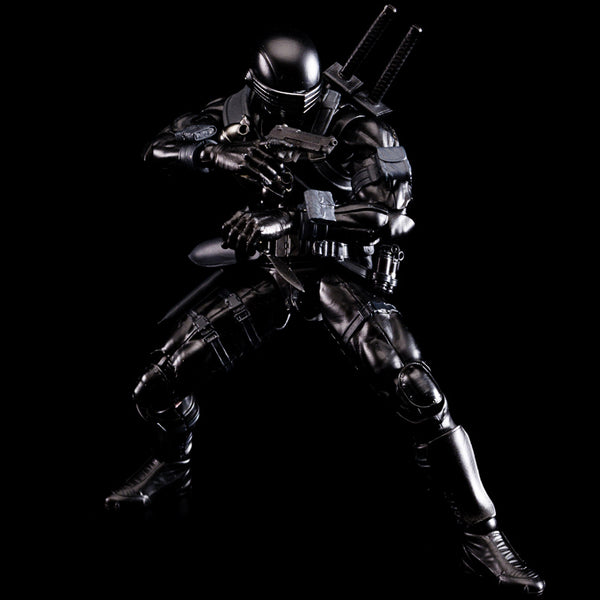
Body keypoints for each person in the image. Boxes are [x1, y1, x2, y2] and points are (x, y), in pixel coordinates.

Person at [104, 12, 545, 596]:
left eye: (300, 108)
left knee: (417, 392)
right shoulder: (242, 109)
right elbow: (160, 148)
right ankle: (172, 464)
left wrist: (294, 217)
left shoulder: (360, 128)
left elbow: (392, 216)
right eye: (275, 107)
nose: (287, 119)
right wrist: (218, 156)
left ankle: (482, 535)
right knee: (158, 384)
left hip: (340, 266)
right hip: (275, 265)